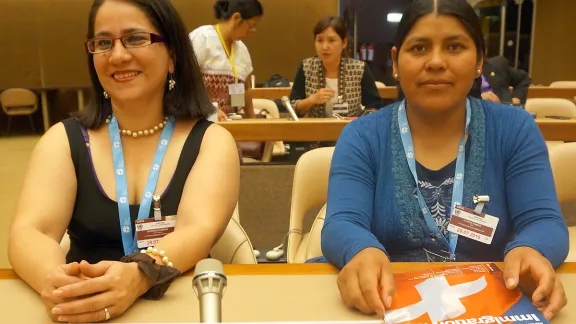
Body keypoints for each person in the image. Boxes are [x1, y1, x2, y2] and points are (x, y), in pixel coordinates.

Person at [321, 0, 568, 320]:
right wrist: (361, 250)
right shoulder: (363, 137)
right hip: (385, 305)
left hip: (491, 305)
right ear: (395, 62)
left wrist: (529, 248)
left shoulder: (514, 130)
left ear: (480, 60)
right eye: (419, 47)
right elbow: (342, 222)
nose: (436, 61)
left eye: (454, 46)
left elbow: (545, 222)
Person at [8, 0, 240, 322]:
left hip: (179, 309)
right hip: (83, 310)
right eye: (104, 43)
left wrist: (139, 275)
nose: (117, 56)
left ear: (172, 55)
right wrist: (57, 283)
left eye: (135, 39)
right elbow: (31, 232)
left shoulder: (211, 142)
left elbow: (197, 229)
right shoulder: (64, 141)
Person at [289, 16, 382, 118]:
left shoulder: (359, 68)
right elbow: (291, 107)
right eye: (320, 40)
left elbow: (374, 105)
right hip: (315, 130)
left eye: (331, 40)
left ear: (344, 43)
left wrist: (360, 122)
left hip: (351, 130)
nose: (324, 47)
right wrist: (311, 100)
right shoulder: (306, 67)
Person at [189, 0, 263, 121]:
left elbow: (246, 88)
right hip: (198, 121)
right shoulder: (202, 38)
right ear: (236, 17)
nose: (251, 32)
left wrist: (252, 120)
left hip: (228, 121)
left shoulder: (242, 49)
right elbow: (186, 80)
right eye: (251, 26)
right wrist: (210, 108)